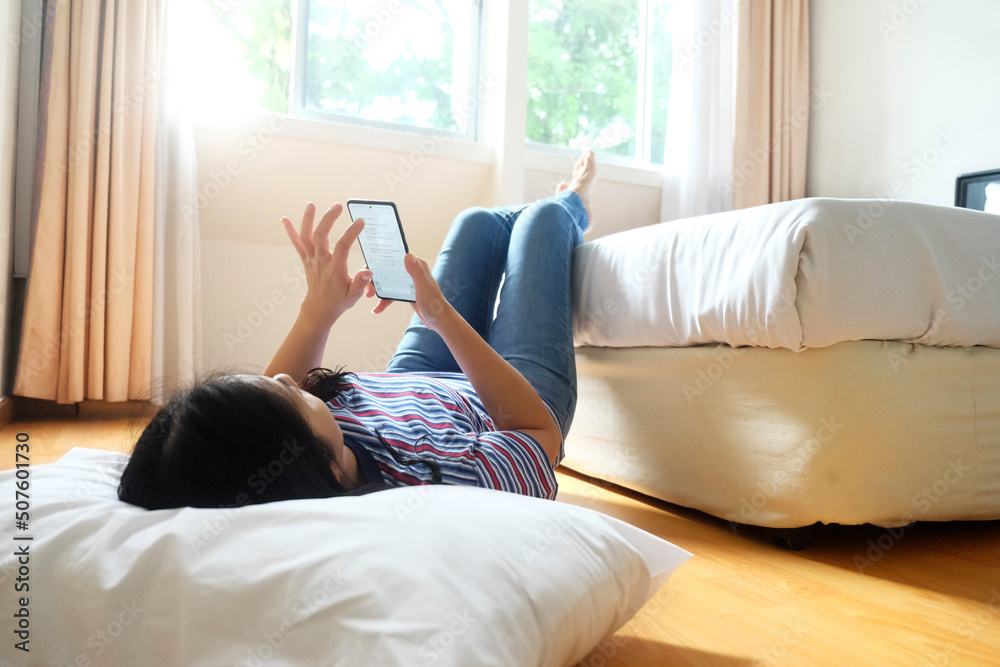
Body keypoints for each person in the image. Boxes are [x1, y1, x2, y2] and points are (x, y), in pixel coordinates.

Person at [118, 151, 597, 510]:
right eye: (283, 395)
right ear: (308, 457)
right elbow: (536, 433)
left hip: (410, 381)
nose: (282, 378)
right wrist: (442, 318)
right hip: (508, 401)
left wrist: (318, 311)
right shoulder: (435, 481)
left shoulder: (309, 447)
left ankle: (538, 213)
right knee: (545, 219)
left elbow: (265, 404)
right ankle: (571, 202)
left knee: (476, 221)